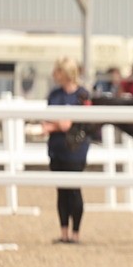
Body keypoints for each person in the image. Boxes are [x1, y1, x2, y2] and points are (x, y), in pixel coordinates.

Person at [42, 57, 91, 244]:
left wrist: (54, 125)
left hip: (75, 149)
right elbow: (51, 121)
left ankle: (76, 232)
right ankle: (64, 232)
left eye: (58, 70)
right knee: (61, 191)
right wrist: (57, 125)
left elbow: (66, 124)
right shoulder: (54, 94)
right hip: (57, 149)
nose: (55, 74)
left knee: (74, 190)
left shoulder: (82, 95)